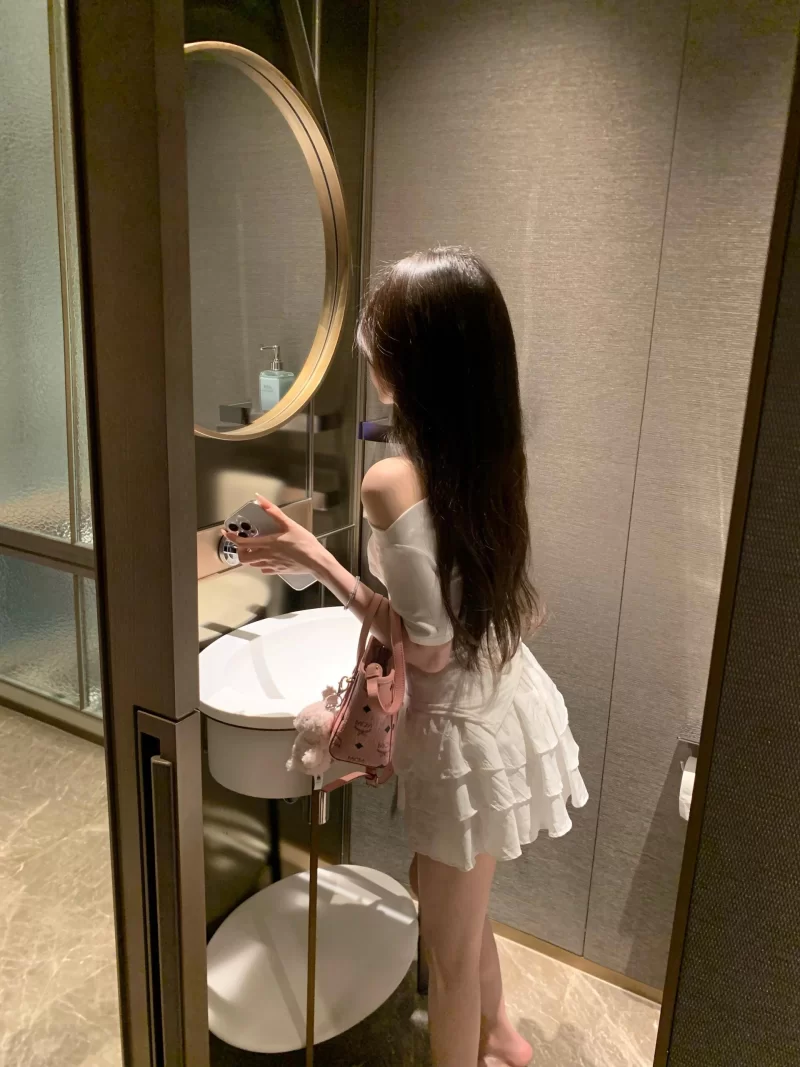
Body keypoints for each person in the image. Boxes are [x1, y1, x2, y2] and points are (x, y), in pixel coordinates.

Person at [230, 247, 588, 1067]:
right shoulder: (489, 454)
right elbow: (467, 611)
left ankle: (487, 1035)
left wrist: (318, 563)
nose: (368, 348)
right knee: (446, 895)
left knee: (449, 957)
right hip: (500, 701)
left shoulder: (392, 481)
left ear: (414, 363)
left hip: (460, 730)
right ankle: (502, 1035)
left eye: (379, 338)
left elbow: (424, 649)